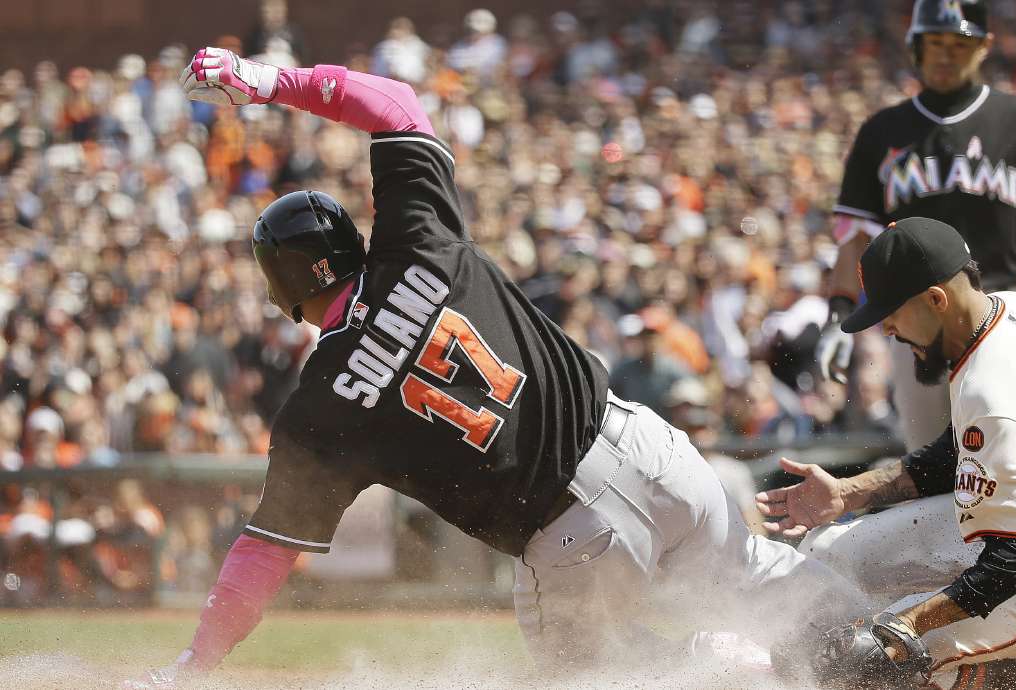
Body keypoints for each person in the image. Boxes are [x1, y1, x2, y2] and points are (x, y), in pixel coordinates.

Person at [126, 47, 857, 686]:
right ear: (349, 242)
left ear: (282, 284)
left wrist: (196, 665)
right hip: (647, 450)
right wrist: (264, 80)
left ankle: (723, 666)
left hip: (568, 536)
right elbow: (396, 105)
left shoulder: (323, 404)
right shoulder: (419, 242)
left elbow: (265, 551)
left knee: (606, 677)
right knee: (766, 580)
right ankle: (893, 643)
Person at [758, 218, 1016, 689]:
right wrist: (848, 492)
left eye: (893, 314)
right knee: (827, 553)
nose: (888, 329)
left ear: (937, 300)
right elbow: (956, 451)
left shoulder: (992, 397)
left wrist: (906, 625)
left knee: (873, 659)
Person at [816, 0, 1016, 451]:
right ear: (915, 47)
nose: (946, 55)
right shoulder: (881, 131)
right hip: (916, 329)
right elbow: (853, 236)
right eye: (935, 43)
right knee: (929, 477)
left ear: (985, 46)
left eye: (959, 43)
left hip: (1003, 315)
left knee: (1013, 455)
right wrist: (835, 316)